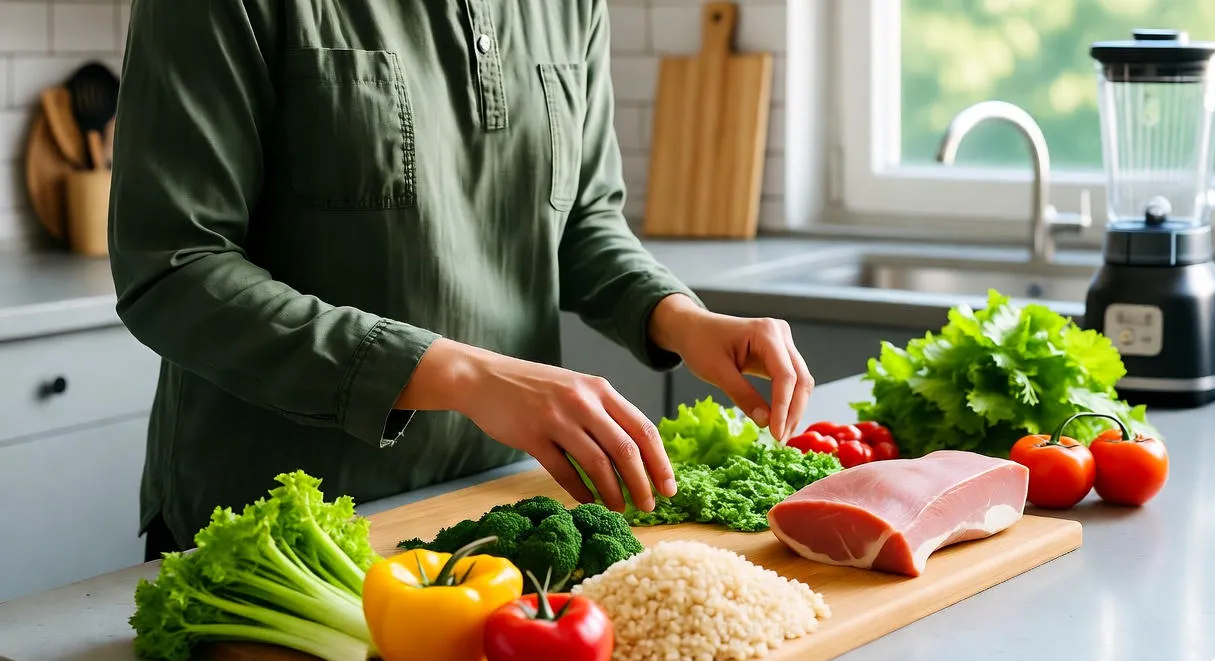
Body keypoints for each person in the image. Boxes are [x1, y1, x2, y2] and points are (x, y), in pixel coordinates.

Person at [108, 0, 815, 561]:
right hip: (277, 532)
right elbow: (174, 268)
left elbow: (579, 218)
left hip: (487, 514)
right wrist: (465, 375)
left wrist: (679, 316)